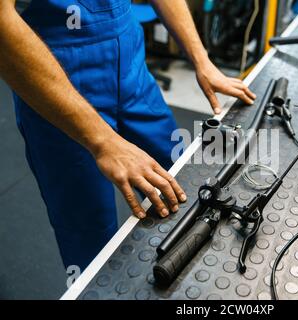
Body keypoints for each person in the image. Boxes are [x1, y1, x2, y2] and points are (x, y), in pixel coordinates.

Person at [0, 0, 256, 270]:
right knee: (91, 237)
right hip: (58, 80)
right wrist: (103, 142)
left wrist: (202, 59)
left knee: (185, 183)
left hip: (131, 67)